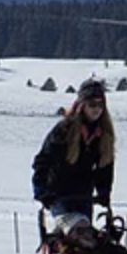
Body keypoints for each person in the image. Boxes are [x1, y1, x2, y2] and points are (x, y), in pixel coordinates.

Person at [32, 77, 115, 241]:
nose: (96, 109)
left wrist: (104, 192)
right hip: (58, 194)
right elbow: (43, 160)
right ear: (82, 105)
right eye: (92, 104)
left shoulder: (103, 134)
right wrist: (41, 190)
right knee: (76, 233)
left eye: (100, 105)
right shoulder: (64, 130)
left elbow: (105, 168)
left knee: (86, 241)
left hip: (84, 195)